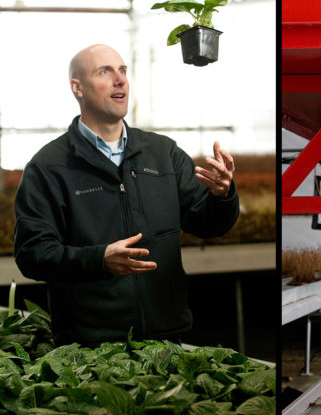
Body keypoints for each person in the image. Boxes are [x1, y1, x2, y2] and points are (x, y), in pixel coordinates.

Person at [13, 44, 239, 347]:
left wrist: (222, 195)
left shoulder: (163, 153)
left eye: (123, 71)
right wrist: (99, 260)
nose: (120, 80)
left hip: (166, 342)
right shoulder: (49, 167)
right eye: (105, 72)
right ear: (77, 88)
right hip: (88, 349)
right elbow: (32, 254)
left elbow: (207, 225)